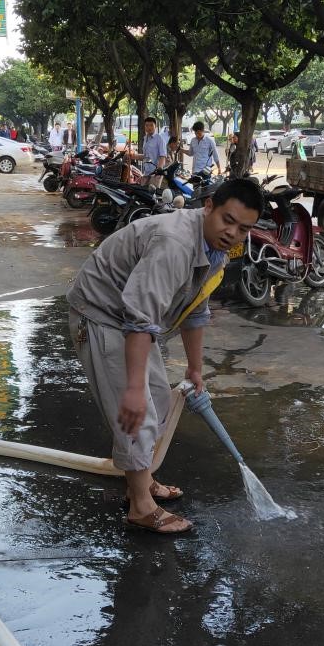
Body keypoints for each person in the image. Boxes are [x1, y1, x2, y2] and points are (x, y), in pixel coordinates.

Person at [66, 179, 264, 534]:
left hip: (131, 318)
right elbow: (140, 317)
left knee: (156, 398)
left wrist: (195, 368)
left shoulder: (216, 249)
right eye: (227, 220)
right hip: (100, 314)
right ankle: (141, 505)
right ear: (208, 207)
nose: (232, 233)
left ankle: (140, 482)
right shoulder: (175, 244)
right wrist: (130, 389)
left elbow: (197, 307)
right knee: (136, 410)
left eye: (243, 228)